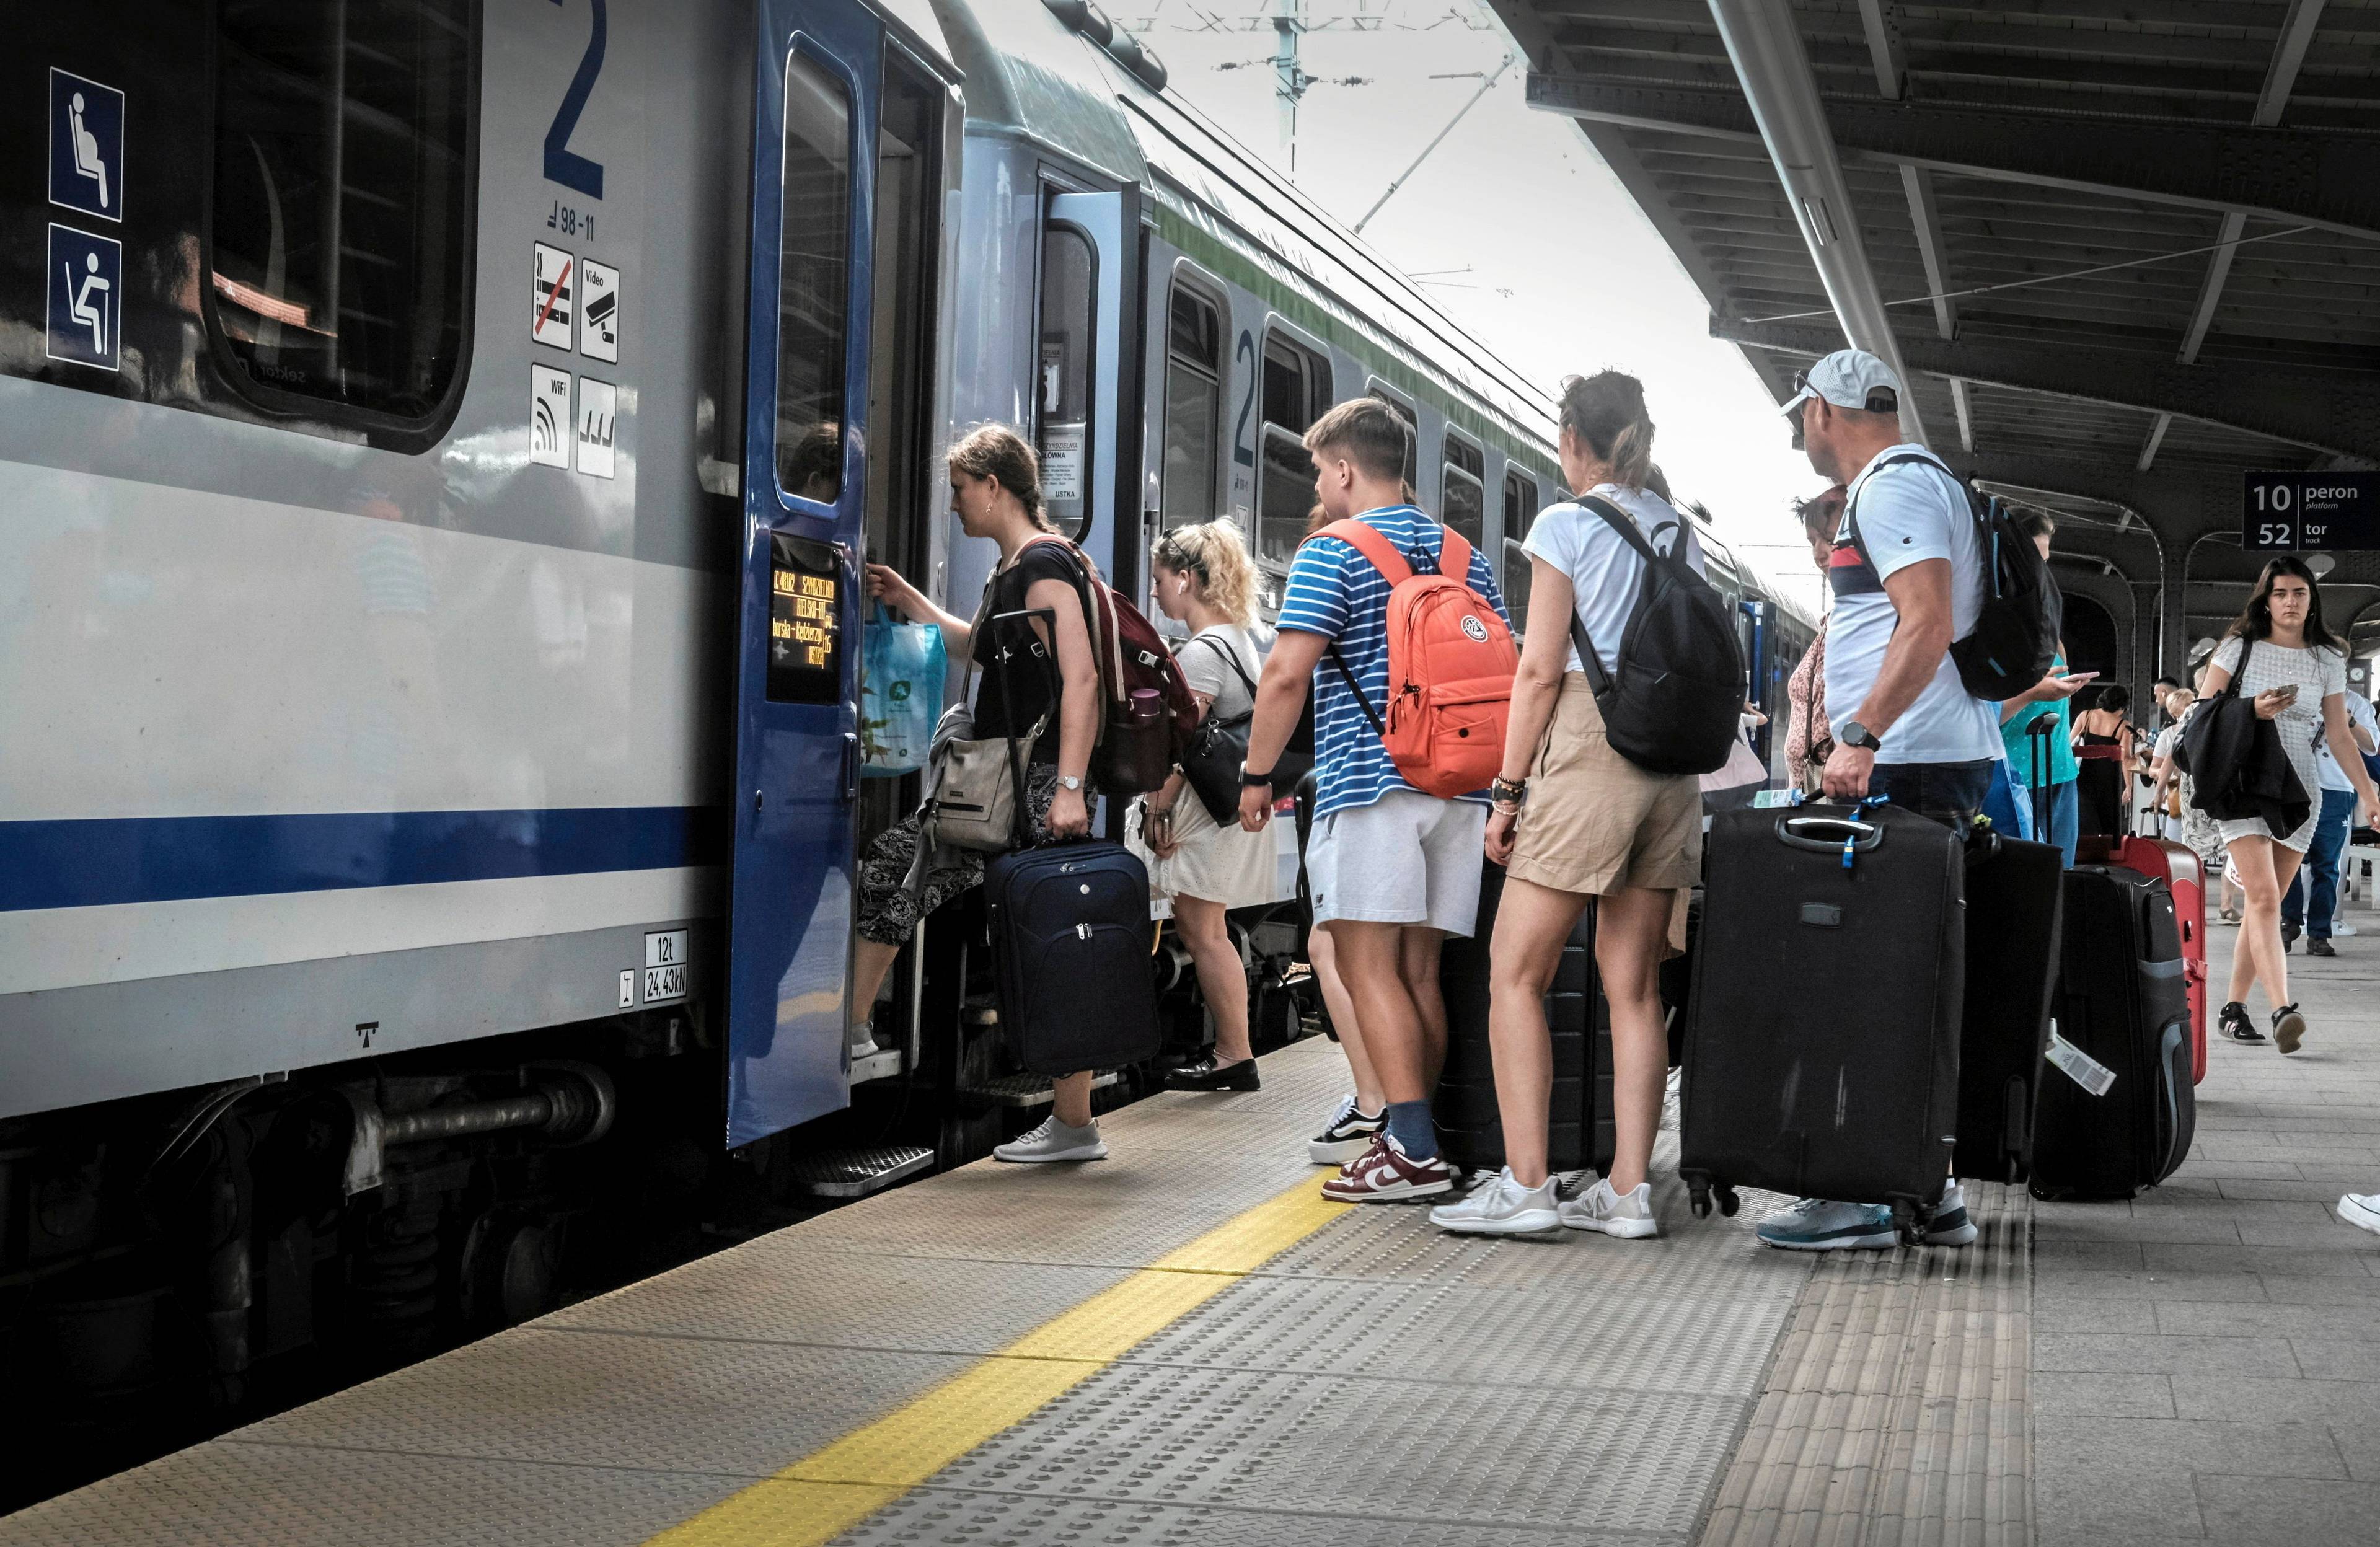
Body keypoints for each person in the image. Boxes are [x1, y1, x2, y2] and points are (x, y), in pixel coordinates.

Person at [1425, 371, 1699, 1239]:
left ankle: (1530, 1186)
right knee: (1634, 990)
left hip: (1590, 747)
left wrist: (1506, 793)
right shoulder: (1676, 528)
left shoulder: (1567, 523)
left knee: (1516, 971)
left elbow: (1539, 669)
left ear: (1574, 439)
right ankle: (1626, 1196)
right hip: (1670, 762)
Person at [1236, 397, 1512, 1203]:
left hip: (1372, 786)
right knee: (1419, 972)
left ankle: (1413, 1149)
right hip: (1460, 789)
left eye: (1322, 472)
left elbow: (1287, 672)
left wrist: (1256, 777)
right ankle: (1410, 1138)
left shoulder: (1334, 550)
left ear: (1347, 468)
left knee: (1364, 968)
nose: (1321, 488)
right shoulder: (1466, 557)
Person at [1758, 347, 1988, 1251]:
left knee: (1870, 979)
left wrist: (1861, 736)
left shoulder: (1890, 487)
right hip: (1930, 757)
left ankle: (1864, 1190)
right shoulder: (1924, 481)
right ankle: (1924, 1191)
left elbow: (1925, 621)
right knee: (1915, 978)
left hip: (1907, 764)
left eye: (1800, 417)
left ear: (1824, 410)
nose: (1799, 435)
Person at [857, 425, 1109, 1161]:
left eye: (962, 491)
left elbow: (1082, 678)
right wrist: (913, 602)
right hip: (1005, 781)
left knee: (897, 872)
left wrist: (1067, 788)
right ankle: (1073, 1123)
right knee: (1042, 937)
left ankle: (846, 1025)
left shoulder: (1044, 567)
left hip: (1026, 786)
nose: (956, 506)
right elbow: (979, 648)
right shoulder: (1014, 572)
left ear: (994, 486)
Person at [2200, 557, 2380, 1053]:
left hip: (2302, 785)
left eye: (2299, 593)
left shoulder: (2327, 658)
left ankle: (2233, 1009)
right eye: (2280, 593)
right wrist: (2250, 709)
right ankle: (2282, 1007)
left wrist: (2370, 795)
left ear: (2311, 599)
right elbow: (2201, 711)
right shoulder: (2239, 647)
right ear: (2266, 598)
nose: (2290, 602)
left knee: (2267, 903)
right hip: (2244, 778)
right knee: (2261, 899)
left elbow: (2341, 735)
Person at [1142, 521, 1282, 1091]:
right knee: (1209, 928)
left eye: (1159, 580)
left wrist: (1157, 810)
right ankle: (1234, 1050)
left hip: (1199, 810)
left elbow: (1180, 746)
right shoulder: (1240, 638)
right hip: (1222, 806)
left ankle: (1233, 1053)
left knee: (1203, 930)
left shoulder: (1202, 652)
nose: (1154, 592)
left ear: (1187, 580)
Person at [1996, 513, 2094, 865]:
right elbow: (1977, 719)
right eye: (2033, 559)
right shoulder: (1986, 625)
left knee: (2058, 883)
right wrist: (2033, 693)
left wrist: (2059, 689)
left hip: (2059, 773)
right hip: (2009, 782)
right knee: (2019, 888)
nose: (2041, 572)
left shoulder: (2047, 629)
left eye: (2045, 561)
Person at [2279, 676, 2379, 957]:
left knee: (2327, 864)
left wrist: (2348, 721)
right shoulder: (2299, 695)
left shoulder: (2356, 703)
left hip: (2336, 789)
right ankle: (2290, 921)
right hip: (2294, 786)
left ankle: (2320, 932)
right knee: (2289, 858)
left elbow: (2371, 746)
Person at [1782, 487, 1845, 795]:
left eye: (1830, 539)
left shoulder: (1864, 617)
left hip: (1833, 791)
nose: (1819, 552)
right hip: (1811, 787)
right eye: (1813, 542)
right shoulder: (1832, 619)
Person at [2068, 684, 2137, 842]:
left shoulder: (2085, 716)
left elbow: (2069, 744)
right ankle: (2108, 855)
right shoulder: (2124, 726)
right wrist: (2129, 786)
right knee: (2108, 825)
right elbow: (2126, 758)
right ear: (2122, 706)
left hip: (2083, 776)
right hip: (2109, 780)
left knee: (2084, 820)